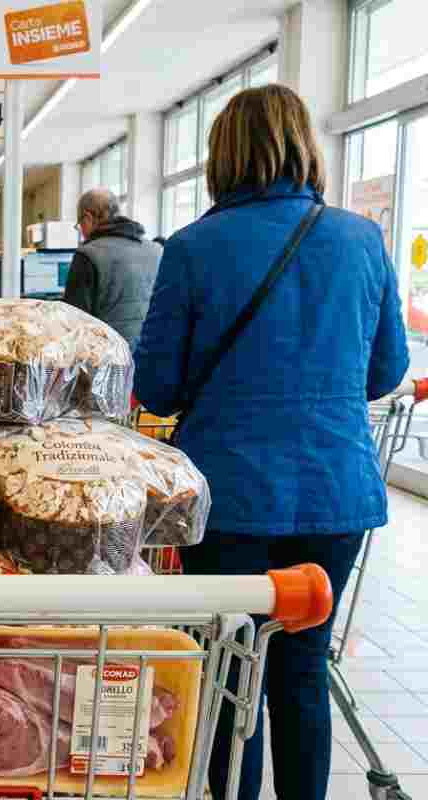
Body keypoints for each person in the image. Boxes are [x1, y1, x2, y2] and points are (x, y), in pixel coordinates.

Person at [134, 85, 409, 800]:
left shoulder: (194, 247)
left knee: (232, 678)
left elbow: (157, 387)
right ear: (305, 145)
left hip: (228, 497)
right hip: (337, 492)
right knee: (302, 671)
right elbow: (387, 371)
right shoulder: (362, 240)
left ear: (221, 157)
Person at [63, 188, 162, 348]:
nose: (81, 231)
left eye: (79, 225)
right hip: (151, 354)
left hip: (109, 360)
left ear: (88, 217)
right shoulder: (156, 250)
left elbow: (73, 323)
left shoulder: (88, 254)